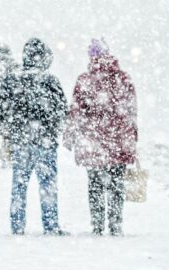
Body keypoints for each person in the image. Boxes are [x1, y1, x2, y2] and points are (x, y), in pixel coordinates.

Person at [63, 39, 138, 236]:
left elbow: (76, 111)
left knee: (95, 185)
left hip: (93, 141)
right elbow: (131, 112)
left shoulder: (85, 80)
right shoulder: (124, 79)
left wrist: (69, 136)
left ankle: (97, 226)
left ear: (92, 57)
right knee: (116, 185)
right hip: (118, 140)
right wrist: (132, 139)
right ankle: (115, 225)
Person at [0, 38, 69, 235]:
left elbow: (2, 110)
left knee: (19, 186)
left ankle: (17, 225)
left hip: (21, 140)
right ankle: (51, 225)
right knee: (47, 185)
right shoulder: (49, 80)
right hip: (45, 141)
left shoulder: (11, 79)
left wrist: (12, 128)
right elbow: (63, 110)